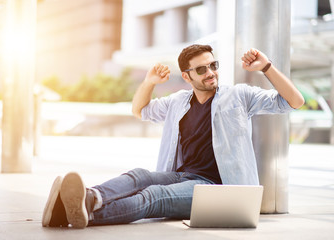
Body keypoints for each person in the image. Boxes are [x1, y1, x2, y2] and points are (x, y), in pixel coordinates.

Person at [42, 44, 304, 228]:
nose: (211, 72)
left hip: (216, 187)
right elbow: (140, 110)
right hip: (181, 175)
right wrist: (149, 82)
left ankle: (76, 213)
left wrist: (266, 66)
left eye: (213, 65)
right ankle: (90, 197)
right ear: (187, 76)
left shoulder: (239, 96)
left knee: (153, 196)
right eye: (201, 69)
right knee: (139, 176)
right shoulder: (179, 101)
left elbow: (294, 101)